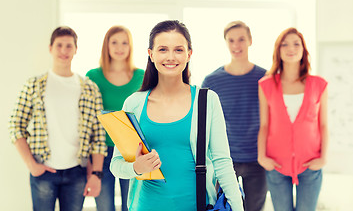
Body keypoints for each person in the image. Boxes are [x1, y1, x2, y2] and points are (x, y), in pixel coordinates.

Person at [110, 20, 244, 211]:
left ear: (189, 54)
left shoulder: (207, 101)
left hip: (196, 206)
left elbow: (222, 162)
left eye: (179, 50)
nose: (171, 57)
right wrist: (136, 168)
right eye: (163, 49)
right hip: (145, 206)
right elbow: (116, 165)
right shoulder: (134, 103)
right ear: (151, 54)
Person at [8, 26, 107, 211]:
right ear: (50, 48)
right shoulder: (34, 85)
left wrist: (96, 174)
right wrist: (32, 165)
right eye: (59, 45)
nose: (64, 51)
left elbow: (98, 135)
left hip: (77, 171)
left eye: (69, 46)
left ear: (76, 49)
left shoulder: (89, 88)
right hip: (43, 170)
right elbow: (15, 125)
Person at [257, 28, 328, 211]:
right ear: (278, 50)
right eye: (285, 44)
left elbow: (324, 124)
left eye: (296, 43)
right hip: (276, 164)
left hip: (310, 163)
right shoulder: (266, 84)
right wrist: (262, 157)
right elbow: (264, 124)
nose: (291, 48)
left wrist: (323, 158)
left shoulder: (319, 84)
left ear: (304, 50)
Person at [202, 21, 267, 211]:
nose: (236, 45)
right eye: (231, 40)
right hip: (224, 160)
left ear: (250, 41)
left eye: (241, 39)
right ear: (226, 43)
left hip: (257, 160)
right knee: (223, 208)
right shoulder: (212, 80)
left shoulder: (265, 78)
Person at [86, 25, 144, 211]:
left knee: (132, 206)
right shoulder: (93, 76)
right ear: (106, 45)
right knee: (104, 207)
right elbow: (87, 119)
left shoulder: (141, 76)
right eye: (114, 42)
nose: (120, 47)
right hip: (101, 154)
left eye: (124, 43)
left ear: (130, 46)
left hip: (132, 152)